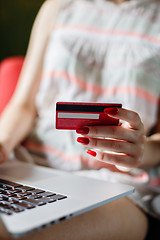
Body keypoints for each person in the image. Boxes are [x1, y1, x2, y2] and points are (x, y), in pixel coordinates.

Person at [0, 0, 160, 239]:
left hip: (119, 185)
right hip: (30, 166)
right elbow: (23, 105)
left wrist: (139, 149)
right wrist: (2, 144)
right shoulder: (57, 6)